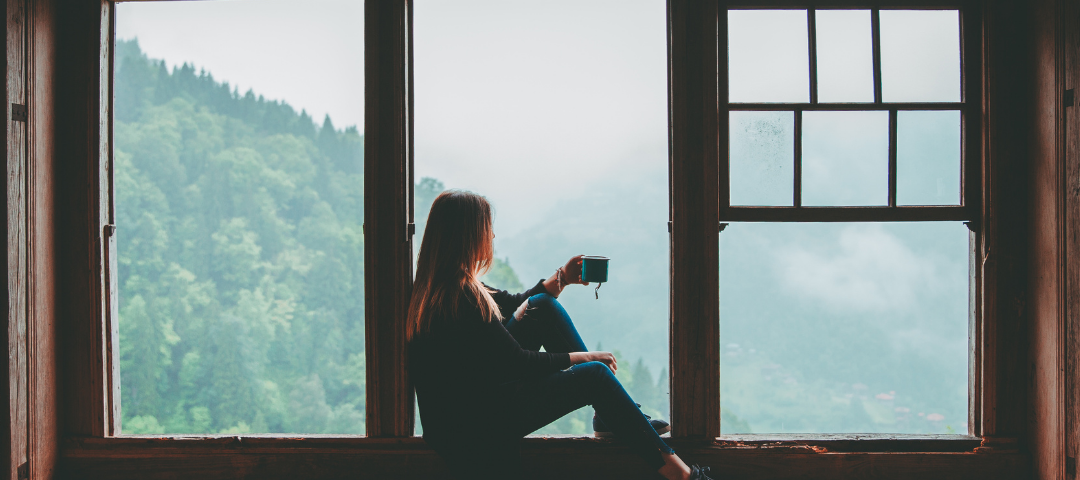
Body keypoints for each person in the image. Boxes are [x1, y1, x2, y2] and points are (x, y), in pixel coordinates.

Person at [408, 190, 714, 480]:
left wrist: (563, 279)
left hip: (472, 408)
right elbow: (516, 363)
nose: (492, 236)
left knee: (541, 307)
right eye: (487, 228)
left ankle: (610, 418)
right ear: (468, 235)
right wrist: (586, 357)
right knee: (594, 374)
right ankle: (680, 473)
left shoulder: (446, 286)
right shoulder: (461, 296)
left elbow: (518, 306)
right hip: (475, 426)